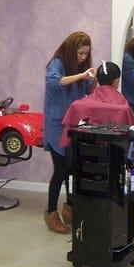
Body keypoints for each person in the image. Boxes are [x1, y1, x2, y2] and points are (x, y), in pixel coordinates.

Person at [43, 31, 95, 233]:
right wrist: (81, 75)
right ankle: (50, 212)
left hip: (74, 124)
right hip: (56, 125)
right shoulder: (56, 63)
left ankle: (70, 208)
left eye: (85, 54)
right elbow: (57, 82)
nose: (82, 57)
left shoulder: (80, 66)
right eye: (80, 53)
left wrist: (94, 78)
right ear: (72, 50)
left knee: (74, 169)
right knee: (61, 170)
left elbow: (86, 91)